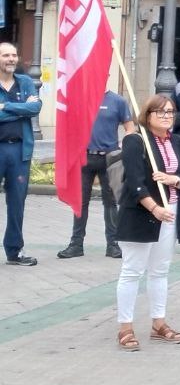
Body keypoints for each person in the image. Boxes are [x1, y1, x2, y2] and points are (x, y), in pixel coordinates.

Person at [114, 94, 180, 351]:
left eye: (170, 111)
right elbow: (134, 181)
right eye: (160, 112)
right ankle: (125, 327)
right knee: (132, 271)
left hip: (170, 211)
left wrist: (175, 179)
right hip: (141, 213)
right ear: (148, 115)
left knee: (160, 270)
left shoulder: (178, 141)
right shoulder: (135, 140)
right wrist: (154, 208)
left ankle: (158, 323)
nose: (167, 116)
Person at [59, 89, 135, 259]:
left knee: (111, 203)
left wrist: (122, 148)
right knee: (80, 202)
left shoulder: (118, 101)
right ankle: (76, 244)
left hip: (109, 158)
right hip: (84, 157)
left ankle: (113, 245)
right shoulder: (80, 99)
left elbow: (130, 128)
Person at [0, 41, 41, 267]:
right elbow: (27, 109)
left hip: (18, 151)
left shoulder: (25, 82)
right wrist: (22, 109)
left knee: (17, 203)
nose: (11, 59)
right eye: (6, 55)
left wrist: (5, 107)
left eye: (14, 55)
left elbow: (35, 108)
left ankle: (14, 251)